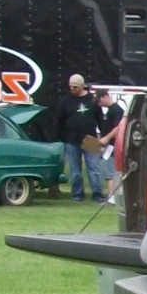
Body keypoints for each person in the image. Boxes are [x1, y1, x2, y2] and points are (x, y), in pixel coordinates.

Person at [51, 74, 105, 202]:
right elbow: (59, 120)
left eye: (75, 87)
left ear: (82, 86)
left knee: (94, 167)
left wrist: (103, 136)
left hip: (90, 139)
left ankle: (97, 194)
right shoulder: (65, 101)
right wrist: (56, 137)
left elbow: (100, 118)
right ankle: (77, 194)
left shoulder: (92, 100)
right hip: (71, 140)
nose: (72, 89)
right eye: (71, 87)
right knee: (75, 170)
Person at [94, 88, 126, 204]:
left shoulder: (116, 110)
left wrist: (106, 138)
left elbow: (118, 128)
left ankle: (112, 197)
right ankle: (112, 196)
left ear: (104, 97)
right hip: (107, 146)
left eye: (99, 101)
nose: (99, 104)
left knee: (110, 172)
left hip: (112, 146)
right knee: (107, 170)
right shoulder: (110, 111)